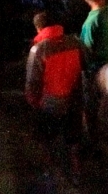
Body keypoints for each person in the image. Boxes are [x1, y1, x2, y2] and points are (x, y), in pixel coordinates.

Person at [25, 10, 84, 171]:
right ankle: (75, 168)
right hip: (73, 98)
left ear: (39, 29)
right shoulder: (75, 42)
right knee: (72, 136)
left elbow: (33, 80)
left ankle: (49, 168)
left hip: (49, 101)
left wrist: (33, 102)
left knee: (47, 137)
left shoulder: (38, 50)